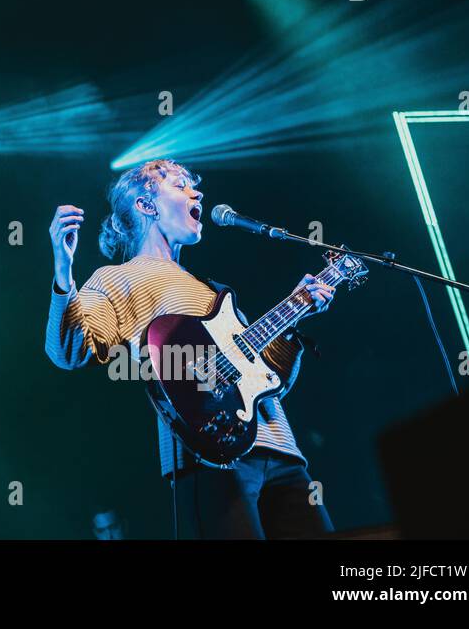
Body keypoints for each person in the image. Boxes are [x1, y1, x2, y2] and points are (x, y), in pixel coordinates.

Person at [45, 158, 335, 539]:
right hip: (208, 456)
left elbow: (265, 381)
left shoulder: (214, 292)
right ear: (146, 205)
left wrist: (294, 314)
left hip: (281, 449)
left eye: (193, 186)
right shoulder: (117, 277)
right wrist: (64, 272)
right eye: (180, 185)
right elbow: (68, 350)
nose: (196, 192)